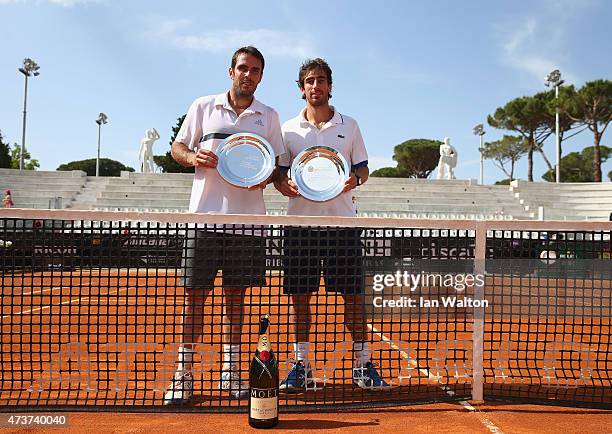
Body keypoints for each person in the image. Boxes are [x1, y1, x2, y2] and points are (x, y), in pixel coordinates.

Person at [164, 46, 285, 404]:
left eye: (256, 70)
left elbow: (277, 164)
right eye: (243, 68)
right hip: (204, 218)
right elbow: (177, 148)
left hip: (247, 224)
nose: (249, 75)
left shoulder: (270, 115)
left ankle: (231, 373)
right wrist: (192, 156)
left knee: (236, 299)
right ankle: (184, 375)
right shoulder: (203, 106)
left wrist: (267, 175)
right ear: (230, 71)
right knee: (194, 298)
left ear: (261, 76)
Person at [273, 58, 389, 393]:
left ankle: (363, 365)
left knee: (353, 298)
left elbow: (363, 168)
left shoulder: (349, 125)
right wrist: (282, 182)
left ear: (330, 86)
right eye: (309, 81)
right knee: (300, 299)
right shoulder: (288, 130)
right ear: (301, 89)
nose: (316, 86)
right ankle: (302, 366)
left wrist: (355, 179)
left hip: (342, 226)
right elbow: (280, 172)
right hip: (299, 227)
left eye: (321, 80)